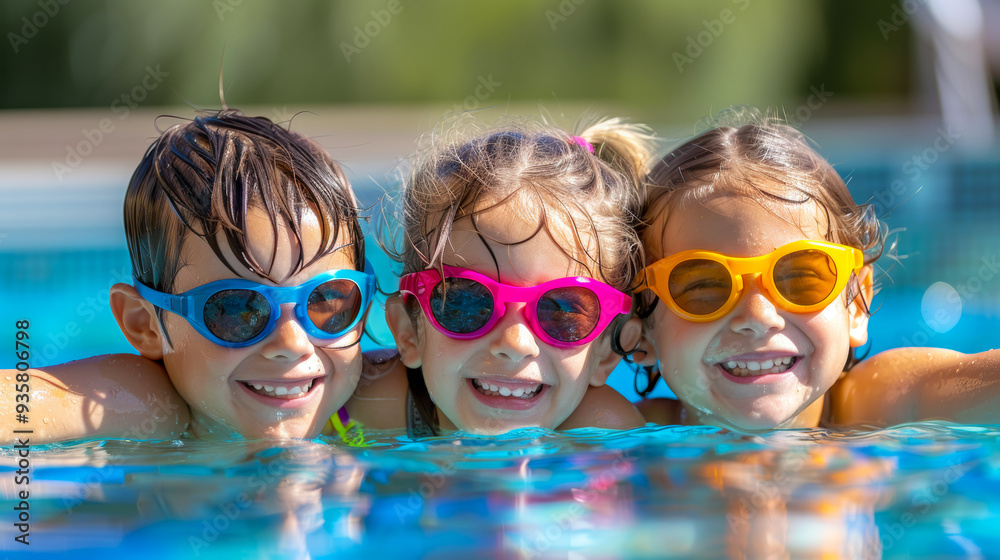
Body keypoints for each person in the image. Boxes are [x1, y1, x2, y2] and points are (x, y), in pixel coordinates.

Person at [2, 110, 377, 442]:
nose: (293, 343)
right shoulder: (146, 405)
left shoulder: (372, 403)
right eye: (238, 309)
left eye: (327, 299)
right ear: (145, 325)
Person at [634, 107, 1000, 431]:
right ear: (641, 330)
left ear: (855, 304)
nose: (758, 316)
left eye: (800, 278)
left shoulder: (877, 406)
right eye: (704, 286)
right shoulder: (626, 434)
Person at [347, 116, 655, 436]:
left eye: (561, 310)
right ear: (409, 331)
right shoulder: (375, 402)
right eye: (466, 302)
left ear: (606, 352)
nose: (515, 344)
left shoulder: (598, 436)